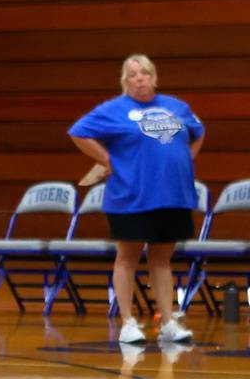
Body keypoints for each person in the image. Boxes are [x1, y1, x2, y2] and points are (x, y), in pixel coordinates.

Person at [68, 53, 205, 344]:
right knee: (127, 256)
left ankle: (168, 321)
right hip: (131, 195)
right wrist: (107, 159)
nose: (139, 78)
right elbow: (78, 133)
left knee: (162, 259)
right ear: (125, 82)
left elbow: (198, 131)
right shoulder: (113, 110)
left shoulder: (176, 107)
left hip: (173, 196)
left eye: (144, 72)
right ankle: (128, 322)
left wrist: (186, 160)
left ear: (154, 77)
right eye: (132, 74)